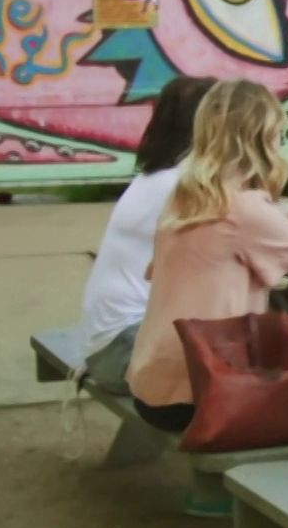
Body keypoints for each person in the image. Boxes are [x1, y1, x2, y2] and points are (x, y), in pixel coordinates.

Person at [123, 79, 288, 444]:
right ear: (261, 139)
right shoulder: (242, 209)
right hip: (206, 395)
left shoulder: (189, 196)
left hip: (155, 388)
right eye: (278, 133)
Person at [73, 75, 216, 395]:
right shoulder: (185, 186)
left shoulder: (156, 178)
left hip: (108, 343)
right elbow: (267, 248)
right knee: (258, 362)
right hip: (126, 349)